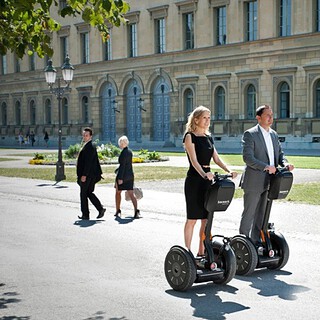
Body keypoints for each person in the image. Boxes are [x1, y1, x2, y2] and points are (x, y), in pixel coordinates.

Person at [183, 106, 237, 256]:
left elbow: (217, 159)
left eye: (209, 118)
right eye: (205, 118)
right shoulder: (190, 136)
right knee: (192, 218)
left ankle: (202, 251)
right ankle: (187, 253)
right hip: (194, 180)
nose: (208, 121)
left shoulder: (208, 138)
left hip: (208, 181)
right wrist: (204, 174)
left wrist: (229, 170)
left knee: (206, 220)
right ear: (196, 119)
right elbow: (194, 161)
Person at [239, 105, 294, 247]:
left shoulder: (274, 134)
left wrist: (285, 163)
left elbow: (280, 155)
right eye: (267, 115)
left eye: (272, 115)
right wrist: (265, 167)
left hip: (270, 181)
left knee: (262, 214)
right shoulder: (250, 134)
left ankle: (256, 243)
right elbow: (248, 158)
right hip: (254, 180)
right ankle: (242, 244)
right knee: (249, 214)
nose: (271, 118)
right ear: (259, 117)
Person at [76, 127, 106, 220]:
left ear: (91, 136)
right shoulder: (88, 145)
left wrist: (84, 175)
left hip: (88, 175)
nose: (84, 137)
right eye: (84, 135)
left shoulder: (90, 146)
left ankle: (85, 214)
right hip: (90, 175)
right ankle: (100, 209)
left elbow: (88, 163)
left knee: (83, 194)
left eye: (86, 135)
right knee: (89, 193)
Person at [114, 135, 141, 219]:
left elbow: (122, 166)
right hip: (130, 175)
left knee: (118, 193)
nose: (120, 144)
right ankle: (136, 210)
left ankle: (118, 210)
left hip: (123, 176)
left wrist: (120, 178)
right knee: (131, 194)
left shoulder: (123, 153)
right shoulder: (129, 152)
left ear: (121, 144)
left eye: (120, 143)